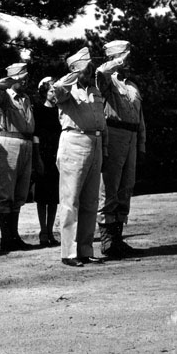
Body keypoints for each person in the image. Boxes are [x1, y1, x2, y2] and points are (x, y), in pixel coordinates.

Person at [52, 47, 107, 267]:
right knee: (70, 200)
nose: (90, 67)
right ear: (75, 68)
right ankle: (69, 252)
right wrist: (75, 72)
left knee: (90, 201)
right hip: (74, 141)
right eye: (85, 64)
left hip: (95, 142)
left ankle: (85, 249)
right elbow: (57, 88)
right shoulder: (66, 88)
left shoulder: (94, 89)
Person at [96, 40, 146, 257]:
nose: (129, 61)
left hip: (132, 134)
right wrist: (116, 62)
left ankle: (117, 239)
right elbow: (99, 72)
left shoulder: (132, 85)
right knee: (110, 186)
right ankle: (107, 240)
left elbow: (140, 117)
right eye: (126, 56)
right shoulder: (107, 80)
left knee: (126, 186)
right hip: (113, 132)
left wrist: (142, 142)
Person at [0, 61, 36, 252]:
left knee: (19, 193)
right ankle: (6, 238)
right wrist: (12, 79)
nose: (26, 81)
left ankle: (14, 236)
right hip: (8, 142)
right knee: (5, 192)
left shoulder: (25, 98)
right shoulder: (4, 96)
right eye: (22, 77)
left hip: (26, 143)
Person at [32, 76, 61, 247]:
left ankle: (51, 230)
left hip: (58, 156)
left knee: (54, 197)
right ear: (44, 92)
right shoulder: (38, 110)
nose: (53, 93)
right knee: (42, 197)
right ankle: (43, 230)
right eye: (51, 90)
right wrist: (38, 159)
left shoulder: (60, 110)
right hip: (43, 155)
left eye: (55, 90)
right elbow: (35, 135)